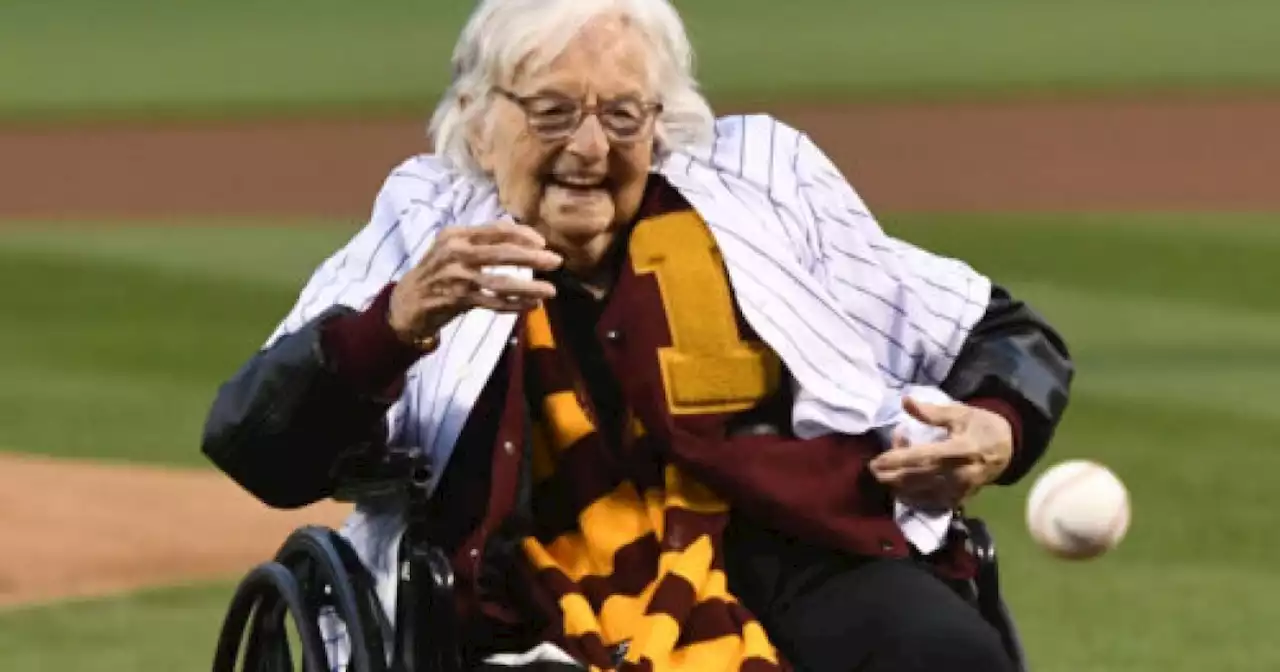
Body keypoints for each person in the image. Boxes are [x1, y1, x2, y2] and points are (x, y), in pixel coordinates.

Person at [201, 0, 1073, 670]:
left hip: (799, 548)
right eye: (551, 112)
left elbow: (995, 331)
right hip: (515, 585)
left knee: (945, 658)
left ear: (659, 123)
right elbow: (255, 441)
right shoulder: (427, 222)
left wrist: (996, 425)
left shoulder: (758, 185)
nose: (589, 146)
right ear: (476, 117)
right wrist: (394, 324)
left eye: (622, 116)